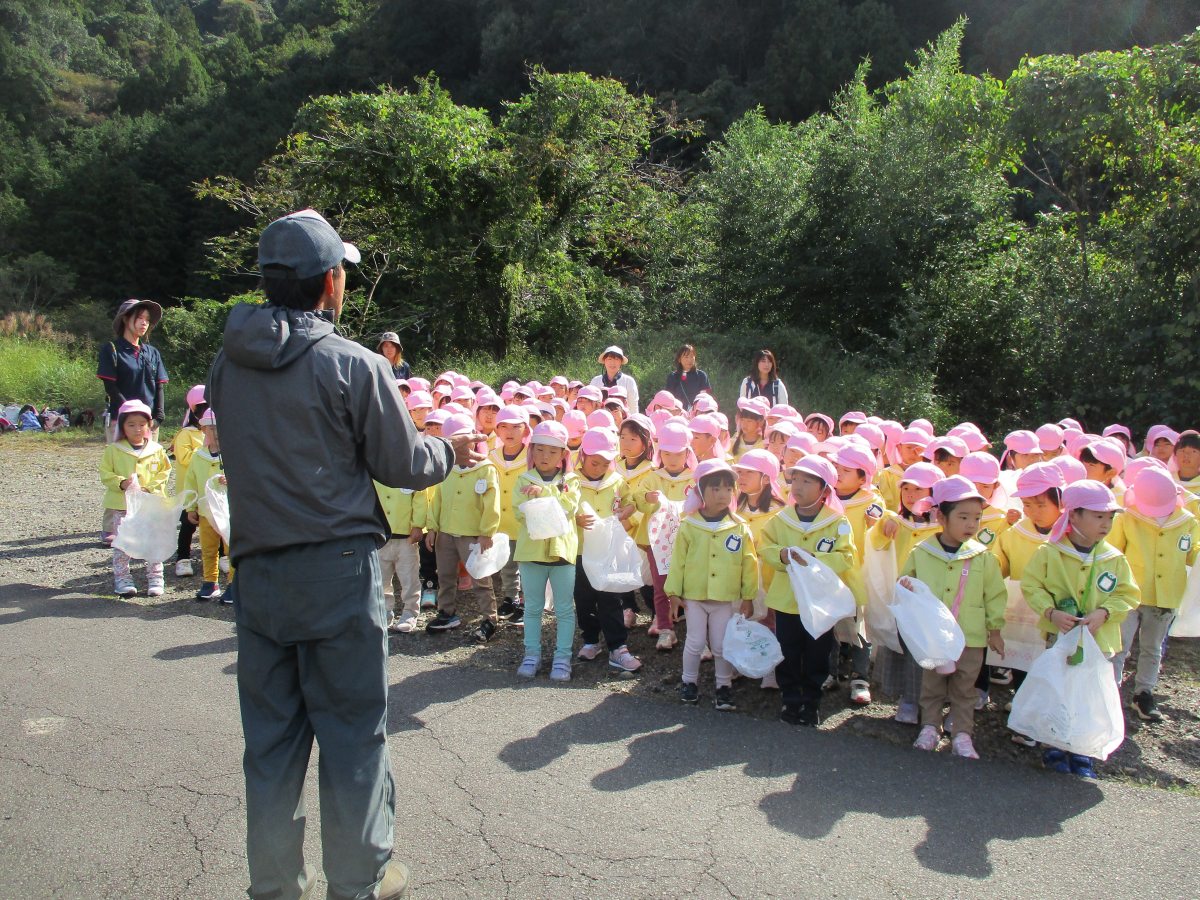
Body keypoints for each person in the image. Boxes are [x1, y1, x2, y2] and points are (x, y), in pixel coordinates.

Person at [209, 208, 476, 900]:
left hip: (259, 573)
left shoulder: (226, 364)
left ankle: (273, 886)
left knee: (270, 745)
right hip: (336, 574)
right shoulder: (352, 365)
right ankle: (359, 880)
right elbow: (404, 462)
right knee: (353, 733)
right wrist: (451, 451)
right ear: (331, 283)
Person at [1020, 480, 1141, 779]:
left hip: (1099, 642)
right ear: (1073, 516)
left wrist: (1105, 612)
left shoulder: (1114, 557)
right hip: (1061, 638)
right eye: (1098, 516)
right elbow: (1032, 584)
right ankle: (1054, 745)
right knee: (1058, 689)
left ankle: (1082, 750)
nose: (1106, 523)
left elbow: (1128, 593)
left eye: (1110, 517)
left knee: (1090, 696)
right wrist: (1050, 612)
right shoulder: (1051, 552)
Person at [903, 477, 1007, 760]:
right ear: (941, 516)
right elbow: (904, 584)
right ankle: (929, 727)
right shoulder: (922, 553)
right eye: (963, 517)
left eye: (976, 518)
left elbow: (995, 595)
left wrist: (994, 630)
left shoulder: (984, 557)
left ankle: (962, 733)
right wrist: (906, 587)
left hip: (970, 636)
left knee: (965, 687)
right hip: (934, 637)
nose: (971, 525)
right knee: (932, 684)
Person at [760, 455, 862, 726]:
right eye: (795, 479)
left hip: (820, 604)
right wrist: (782, 555)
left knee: (817, 653)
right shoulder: (780, 520)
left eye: (808, 481)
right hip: (787, 601)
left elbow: (846, 556)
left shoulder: (837, 522)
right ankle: (791, 700)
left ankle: (812, 701)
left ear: (824, 490)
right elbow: (765, 547)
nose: (798, 486)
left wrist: (814, 559)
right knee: (788, 651)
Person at [664, 458, 759, 711]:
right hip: (695, 597)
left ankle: (723, 687)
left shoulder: (739, 528)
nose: (723, 494)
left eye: (728, 488)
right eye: (715, 489)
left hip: (723, 599)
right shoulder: (689, 525)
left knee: (720, 645)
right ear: (701, 492)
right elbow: (678, 563)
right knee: (694, 642)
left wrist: (748, 596)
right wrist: (673, 594)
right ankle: (688, 683)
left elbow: (750, 563)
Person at [1108, 467, 1199, 721]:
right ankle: (1109, 692)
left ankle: (1144, 693)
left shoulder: (1187, 521)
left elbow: (1193, 553)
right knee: (1119, 645)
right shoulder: (1126, 518)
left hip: (1166, 595)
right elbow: (1112, 553)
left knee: (1153, 647)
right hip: (1128, 593)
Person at [514, 421, 583, 680]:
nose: (545, 456)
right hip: (531, 552)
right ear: (532, 451)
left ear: (563, 455)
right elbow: (519, 510)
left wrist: (542, 494)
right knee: (532, 606)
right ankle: (532, 654)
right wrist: (537, 500)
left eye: (552, 452)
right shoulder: (524, 478)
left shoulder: (571, 481)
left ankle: (562, 657)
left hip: (562, 553)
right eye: (540, 450)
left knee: (564, 608)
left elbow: (569, 507)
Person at [424, 413, 502, 641]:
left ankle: (489, 618)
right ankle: (446, 612)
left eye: (464, 439)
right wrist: (432, 527)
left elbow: (491, 502)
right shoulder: (445, 467)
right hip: (446, 532)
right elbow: (436, 498)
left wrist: (487, 533)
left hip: (472, 535)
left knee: (480, 578)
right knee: (446, 574)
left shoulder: (485, 468)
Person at [573, 427, 641, 670]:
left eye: (604, 464)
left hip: (609, 551)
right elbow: (562, 510)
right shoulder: (571, 482)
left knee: (611, 598)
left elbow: (630, 502)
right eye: (594, 463)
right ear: (583, 456)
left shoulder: (617, 481)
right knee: (583, 598)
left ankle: (617, 646)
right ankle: (590, 640)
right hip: (581, 551)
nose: (599, 468)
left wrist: (626, 511)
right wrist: (576, 521)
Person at [634, 422, 697, 649]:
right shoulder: (653, 477)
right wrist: (647, 499)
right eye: (667, 453)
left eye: (678, 454)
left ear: (687, 454)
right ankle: (665, 628)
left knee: (690, 586)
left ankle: (696, 633)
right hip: (656, 540)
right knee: (661, 586)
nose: (672, 459)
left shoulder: (694, 478)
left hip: (687, 541)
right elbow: (638, 498)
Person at [99, 399, 171, 596]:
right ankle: (122, 579)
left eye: (142, 424)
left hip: (150, 504)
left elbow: (165, 472)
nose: (137, 429)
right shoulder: (114, 450)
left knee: (153, 541)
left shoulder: (156, 449)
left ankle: (156, 577)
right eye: (131, 424)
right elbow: (105, 473)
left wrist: (149, 488)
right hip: (122, 505)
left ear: (149, 425)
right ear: (122, 426)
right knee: (123, 544)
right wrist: (121, 482)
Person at [97, 299, 168, 443]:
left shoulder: (152, 353)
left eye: (147, 319)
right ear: (125, 319)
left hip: (148, 423)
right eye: (140, 318)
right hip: (121, 421)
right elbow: (111, 388)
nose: (144, 323)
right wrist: (131, 414)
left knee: (148, 464)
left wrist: (158, 418)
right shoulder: (111, 350)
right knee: (122, 464)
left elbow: (158, 386)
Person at [182, 409, 232, 603]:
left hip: (228, 512)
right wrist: (190, 507)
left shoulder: (233, 453)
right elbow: (190, 483)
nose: (216, 433)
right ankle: (210, 582)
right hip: (205, 511)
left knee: (231, 548)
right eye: (211, 428)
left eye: (220, 428)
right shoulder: (198, 456)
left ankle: (234, 583)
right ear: (203, 429)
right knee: (208, 548)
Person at [172, 384, 208, 577]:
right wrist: (205, 450)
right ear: (193, 412)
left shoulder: (214, 431)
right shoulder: (185, 434)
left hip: (208, 488)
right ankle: (183, 559)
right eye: (201, 411)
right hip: (190, 490)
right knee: (188, 524)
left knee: (213, 521)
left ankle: (220, 556)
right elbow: (184, 457)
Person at [591, 345, 640, 414]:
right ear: (604, 361)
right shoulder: (595, 381)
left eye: (616, 359)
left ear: (621, 362)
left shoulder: (629, 381)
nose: (612, 363)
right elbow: (591, 405)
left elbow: (633, 406)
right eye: (609, 359)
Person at [664, 343, 711, 412]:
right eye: (686, 357)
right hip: (678, 413)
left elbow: (704, 397)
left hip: (697, 413)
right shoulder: (673, 377)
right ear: (679, 359)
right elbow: (669, 399)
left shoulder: (702, 375)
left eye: (692, 356)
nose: (690, 360)